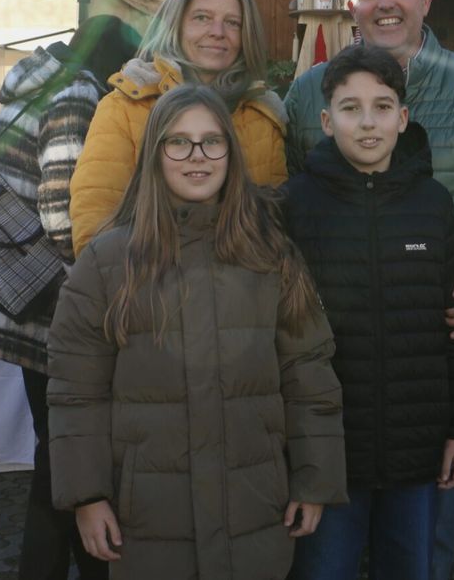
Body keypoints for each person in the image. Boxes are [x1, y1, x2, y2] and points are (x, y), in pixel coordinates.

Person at [282, 0, 454, 578]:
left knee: (424, 531)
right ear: (351, 7)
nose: (385, 3)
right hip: (334, 346)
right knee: (327, 524)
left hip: (443, 336)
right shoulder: (308, 93)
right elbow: (286, 207)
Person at [47, 84, 347, 579]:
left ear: (231, 151)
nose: (197, 156)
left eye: (212, 141)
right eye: (178, 142)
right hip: (148, 520)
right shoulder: (105, 264)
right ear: (154, 154)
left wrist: (313, 480)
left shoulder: (270, 255)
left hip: (255, 507)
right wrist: (87, 495)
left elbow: (308, 375)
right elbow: (75, 393)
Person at [284, 45, 454, 580]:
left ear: (403, 118)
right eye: (350, 108)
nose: (367, 123)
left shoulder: (433, 203)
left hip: (415, 449)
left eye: (382, 106)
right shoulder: (295, 206)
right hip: (328, 454)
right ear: (326, 121)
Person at [0, 15, 141, 580]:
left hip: (15, 293)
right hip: (51, 307)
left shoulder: (34, 87)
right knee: (63, 457)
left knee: (57, 453)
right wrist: (97, 300)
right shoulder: (77, 95)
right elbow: (66, 212)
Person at [69, 0, 288, 256]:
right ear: (176, 24)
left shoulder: (262, 117)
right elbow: (94, 232)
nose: (218, 32)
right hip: (145, 290)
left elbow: (275, 232)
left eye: (233, 22)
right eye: (202, 18)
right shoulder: (124, 108)